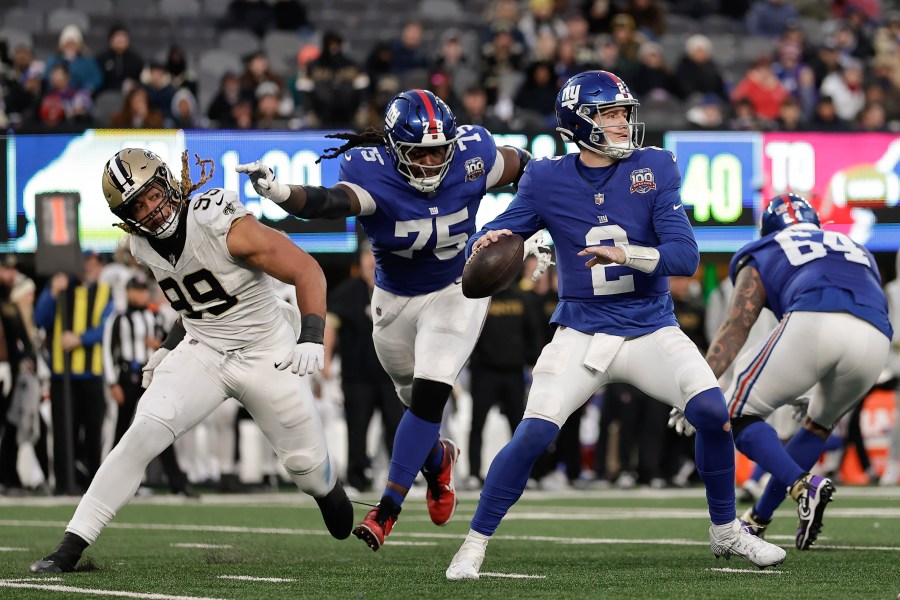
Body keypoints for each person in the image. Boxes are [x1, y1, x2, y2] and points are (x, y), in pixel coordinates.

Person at [443, 70, 787, 580]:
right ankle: (473, 543)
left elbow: (686, 255)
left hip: (650, 328)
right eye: (609, 113)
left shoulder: (655, 167)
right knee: (532, 435)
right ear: (579, 122)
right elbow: (507, 225)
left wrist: (629, 253)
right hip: (582, 332)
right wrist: (488, 238)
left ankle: (725, 530)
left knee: (714, 413)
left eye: (625, 112)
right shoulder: (545, 178)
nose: (624, 122)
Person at [236, 88, 534, 551]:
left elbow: (532, 169)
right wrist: (279, 192)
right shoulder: (370, 169)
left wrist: (527, 226)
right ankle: (438, 461)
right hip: (394, 302)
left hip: (458, 289)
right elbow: (327, 202)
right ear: (396, 149)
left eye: (441, 150)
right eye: (422, 152)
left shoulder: (474, 154)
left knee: (431, 394)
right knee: (416, 406)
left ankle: (387, 508)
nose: (434, 162)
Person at [29, 148, 353, 573]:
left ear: (170, 182)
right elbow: (194, 301)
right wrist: (167, 345)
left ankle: (327, 488)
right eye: (137, 206)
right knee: (140, 434)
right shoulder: (141, 245)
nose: (150, 209)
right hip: (205, 351)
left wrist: (312, 336)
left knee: (307, 471)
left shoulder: (218, 222)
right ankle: (70, 547)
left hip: (267, 353)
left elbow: (308, 270)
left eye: (152, 194)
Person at [702, 193, 891, 550]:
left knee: (734, 412)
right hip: (875, 336)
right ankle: (758, 519)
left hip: (814, 319)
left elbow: (735, 327)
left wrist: (699, 385)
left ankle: (803, 486)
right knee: (818, 424)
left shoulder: (765, 248)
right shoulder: (853, 245)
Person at [323, 241, 403, 494]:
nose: (373, 261)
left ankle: (399, 480)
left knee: (396, 427)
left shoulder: (397, 289)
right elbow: (330, 327)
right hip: (357, 374)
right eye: (369, 256)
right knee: (357, 428)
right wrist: (325, 361)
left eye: (377, 256)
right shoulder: (347, 292)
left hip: (392, 374)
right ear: (362, 260)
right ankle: (356, 478)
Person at [34, 252, 113, 495]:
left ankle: (94, 488)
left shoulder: (105, 293)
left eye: (93, 264)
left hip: (92, 374)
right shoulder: (60, 291)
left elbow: (107, 328)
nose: (88, 268)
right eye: (85, 264)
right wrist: (52, 292)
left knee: (93, 433)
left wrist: (80, 339)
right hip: (62, 376)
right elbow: (39, 318)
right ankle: (63, 484)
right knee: (63, 433)